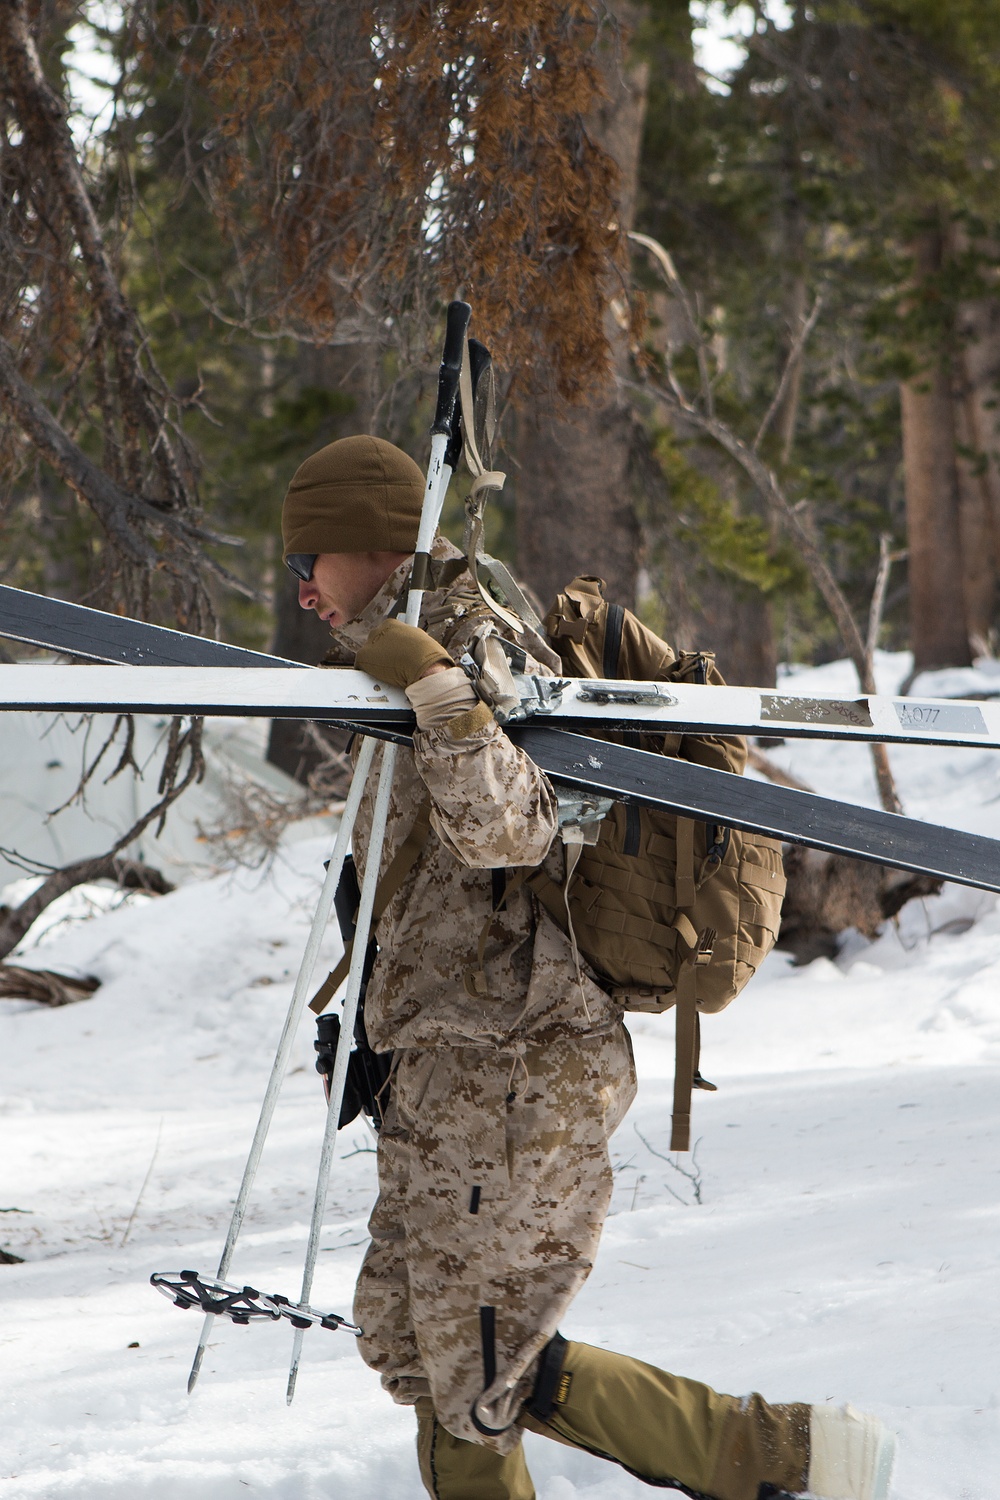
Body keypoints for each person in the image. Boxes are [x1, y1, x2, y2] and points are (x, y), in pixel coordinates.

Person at [281, 433, 896, 1500]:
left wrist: (436, 689)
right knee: (413, 1347)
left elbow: (516, 828)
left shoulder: (467, 638)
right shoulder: (394, 644)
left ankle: (789, 1457)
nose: (299, 591)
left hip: (519, 1062)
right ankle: (792, 1459)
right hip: (444, 1061)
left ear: (366, 545)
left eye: (308, 563)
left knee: (474, 1369)